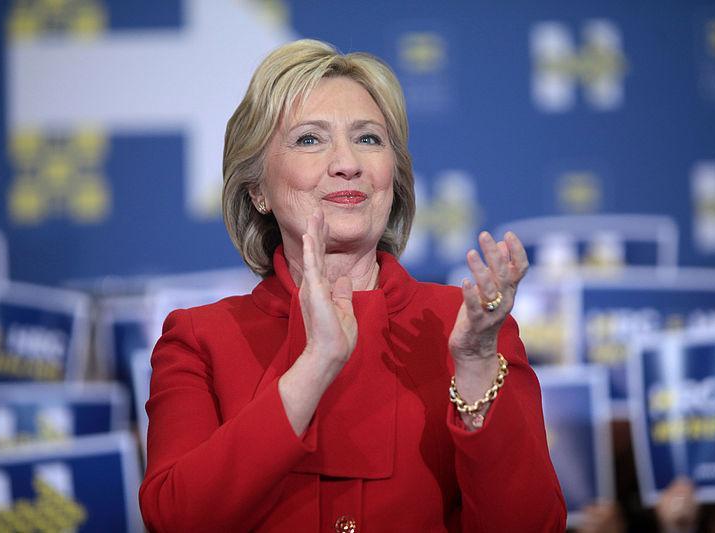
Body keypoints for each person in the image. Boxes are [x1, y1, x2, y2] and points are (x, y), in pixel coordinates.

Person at [139, 39, 566, 532]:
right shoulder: (199, 339)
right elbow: (175, 519)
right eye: (309, 139)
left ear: (394, 177)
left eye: (368, 139)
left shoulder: (466, 328)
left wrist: (473, 370)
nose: (348, 163)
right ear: (257, 190)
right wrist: (315, 365)